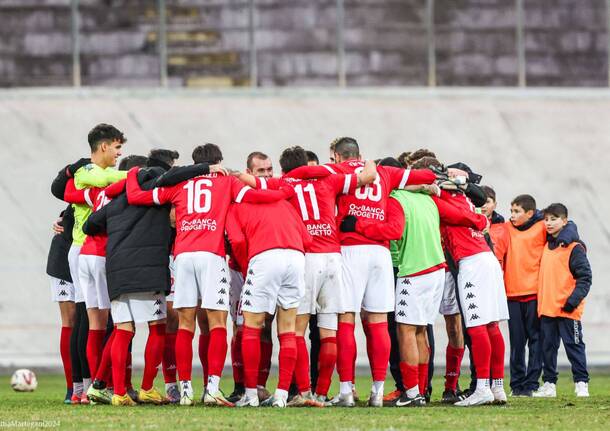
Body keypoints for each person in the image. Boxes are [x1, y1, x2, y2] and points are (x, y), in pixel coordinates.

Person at [127, 143, 293, 406]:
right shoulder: (226, 182)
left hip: (182, 256)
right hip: (211, 255)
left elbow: (137, 196)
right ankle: (212, 388)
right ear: (218, 161)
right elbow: (260, 197)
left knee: (184, 324)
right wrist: (283, 191)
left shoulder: (180, 185)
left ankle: (185, 391)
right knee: (216, 324)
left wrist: (131, 173)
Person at [295, 137, 436, 407]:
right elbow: (425, 174)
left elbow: (304, 173)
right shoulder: (385, 171)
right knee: (379, 322)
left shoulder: (338, 170)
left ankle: (347, 390)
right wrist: (434, 181)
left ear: (337, 155)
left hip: (350, 249)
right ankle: (378, 390)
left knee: (346, 320)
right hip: (380, 254)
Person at [240, 146, 377, 405]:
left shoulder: (283, 183)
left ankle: (303, 392)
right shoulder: (329, 178)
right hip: (334, 257)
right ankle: (324, 393)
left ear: (283, 168)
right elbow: (369, 175)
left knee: (295, 331)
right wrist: (365, 160)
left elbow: (251, 182)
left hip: (307, 255)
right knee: (329, 333)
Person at [85, 156, 213, 406]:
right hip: (149, 272)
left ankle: (119, 393)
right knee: (157, 327)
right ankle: (146, 388)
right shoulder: (161, 202)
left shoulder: (116, 202)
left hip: (117, 273)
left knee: (123, 330)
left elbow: (91, 225)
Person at [225, 187, 312, 408]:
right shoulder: (285, 204)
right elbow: (308, 239)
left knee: (252, 326)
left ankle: (252, 395)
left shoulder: (235, 206)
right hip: (296, 257)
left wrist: (247, 266)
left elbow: (236, 240)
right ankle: (282, 396)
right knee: (288, 328)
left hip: (264, 256)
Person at [438, 164, 509, 407]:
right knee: (492, 326)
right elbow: (474, 209)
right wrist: (479, 218)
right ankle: (497, 386)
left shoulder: (445, 199)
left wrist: (477, 219)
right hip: (487, 259)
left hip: (472, 263)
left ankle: (482, 388)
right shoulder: (465, 198)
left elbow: (457, 216)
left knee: (477, 326)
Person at [534, 203, 592, 398]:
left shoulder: (575, 248)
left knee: (574, 347)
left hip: (567, 309)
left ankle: (581, 383)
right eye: (547, 219)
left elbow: (585, 278)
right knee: (547, 350)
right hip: (548, 309)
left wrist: (571, 302)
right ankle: (549, 384)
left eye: (554, 219)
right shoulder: (546, 246)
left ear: (565, 221)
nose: (549, 223)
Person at [481, 186, 509, 269]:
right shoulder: (467, 224)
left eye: (487, 202)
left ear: (495, 204)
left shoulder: (504, 227)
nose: (483, 205)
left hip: (496, 273)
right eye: (480, 202)